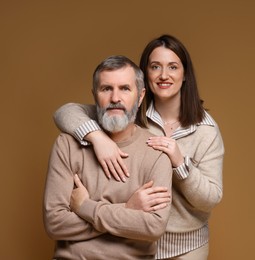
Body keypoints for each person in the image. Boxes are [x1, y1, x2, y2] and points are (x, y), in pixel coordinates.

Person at [53, 35, 224, 259]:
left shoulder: (205, 130)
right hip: (132, 240)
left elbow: (210, 199)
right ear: (145, 76)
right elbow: (65, 112)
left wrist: (180, 164)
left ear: (185, 75)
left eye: (173, 67)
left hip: (186, 246)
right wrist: (98, 138)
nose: (164, 75)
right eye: (155, 67)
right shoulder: (128, 112)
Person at [43, 55, 172, 259]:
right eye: (106, 89)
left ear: (140, 96)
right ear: (95, 95)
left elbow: (153, 227)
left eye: (125, 88)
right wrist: (128, 209)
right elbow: (55, 223)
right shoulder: (67, 144)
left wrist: (85, 207)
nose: (115, 98)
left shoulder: (156, 153)